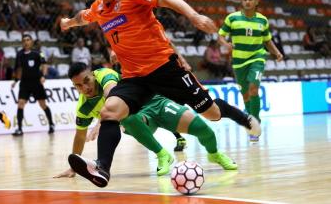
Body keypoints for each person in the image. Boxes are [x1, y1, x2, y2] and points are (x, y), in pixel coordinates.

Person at [60, 0, 260, 187]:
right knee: (109, 112)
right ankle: (103, 167)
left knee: (212, 113)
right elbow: (82, 17)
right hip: (135, 76)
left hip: (165, 68)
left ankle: (243, 117)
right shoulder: (98, 8)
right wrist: (67, 22)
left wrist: (193, 16)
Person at [54, 63, 237, 180]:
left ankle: (214, 154)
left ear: (93, 74)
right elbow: (79, 136)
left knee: (203, 129)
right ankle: (162, 154)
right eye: (78, 85)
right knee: (128, 119)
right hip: (139, 117)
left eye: (87, 80)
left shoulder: (104, 75)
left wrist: (100, 123)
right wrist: (73, 166)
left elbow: (112, 94)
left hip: (155, 102)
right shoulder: (83, 108)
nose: (85, 88)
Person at [217, 0, 283, 142]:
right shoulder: (232, 18)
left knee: (254, 88)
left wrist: (277, 53)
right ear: (242, 2)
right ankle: (250, 117)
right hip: (239, 61)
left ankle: (256, 123)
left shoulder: (262, 20)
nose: (247, 2)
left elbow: (267, 41)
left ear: (256, 2)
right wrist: (226, 44)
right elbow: (220, 35)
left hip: (257, 57)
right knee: (246, 95)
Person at [11, 34, 54, 136]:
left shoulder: (38, 53)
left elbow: (44, 64)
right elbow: (19, 69)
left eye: (28, 40)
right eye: (24, 40)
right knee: (21, 103)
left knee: (42, 104)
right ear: (22, 43)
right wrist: (16, 80)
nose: (26, 42)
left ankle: (51, 124)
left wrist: (43, 76)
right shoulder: (20, 54)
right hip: (25, 83)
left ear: (31, 41)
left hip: (36, 82)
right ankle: (20, 129)